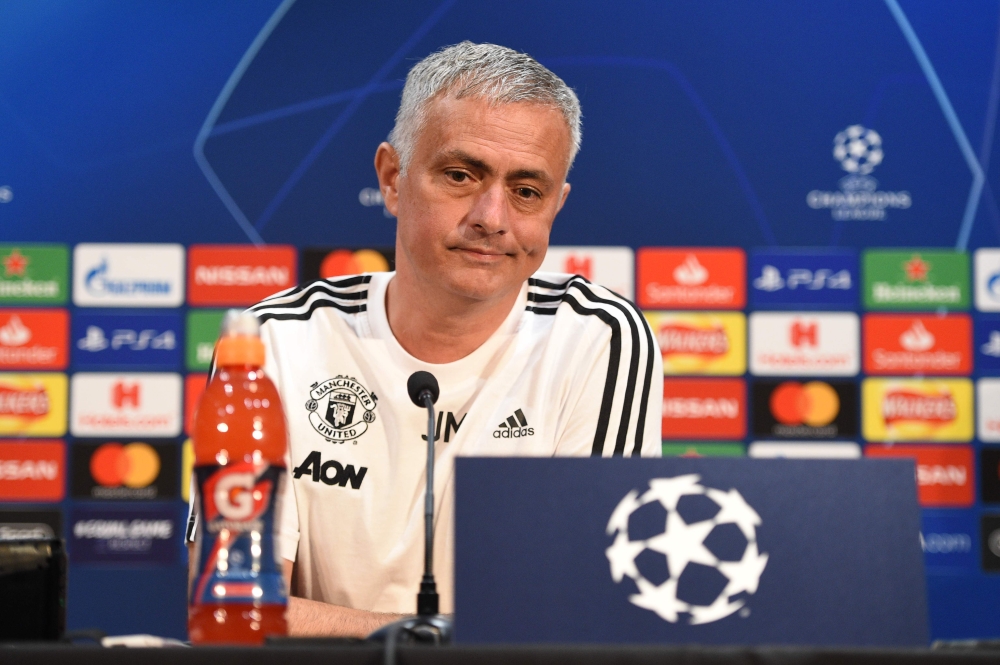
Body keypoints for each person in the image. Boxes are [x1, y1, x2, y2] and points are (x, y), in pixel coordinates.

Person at [188, 41, 662, 637]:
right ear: (392, 178)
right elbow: (235, 607)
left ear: (556, 206)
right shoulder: (275, 340)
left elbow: (586, 613)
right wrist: (426, 640)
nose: (492, 216)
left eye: (527, 191)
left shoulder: (598, 340)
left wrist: (398, 639)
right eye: (461, 176)